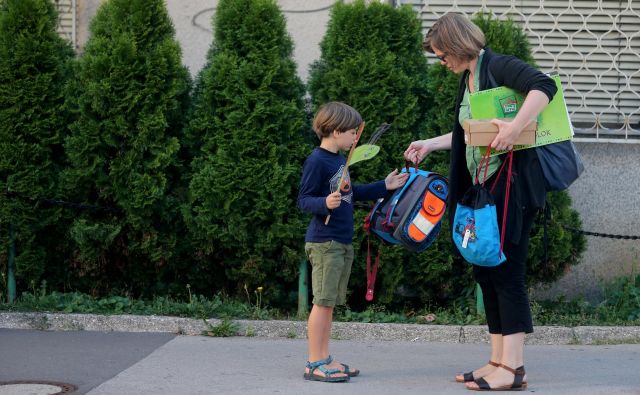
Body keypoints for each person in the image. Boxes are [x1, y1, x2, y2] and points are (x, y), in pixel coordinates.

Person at [404, 13, 557, 391]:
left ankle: (515, 369)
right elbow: (469, 134)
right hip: (484, 188)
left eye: (442, 56)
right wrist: (430, 144)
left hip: (511, 189)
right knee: (486, 270)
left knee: (507, 272)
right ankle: (497, 361)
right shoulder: (469, 79)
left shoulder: (499, 66)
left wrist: (516, 126)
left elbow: (543, 86)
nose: (443, 63)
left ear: (457, 46)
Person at [298, 101, 408, 382]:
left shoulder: (339, 161)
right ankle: (313, 363)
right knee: (321, 303)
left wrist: (385, 186)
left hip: (341, 241)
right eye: (351, 134)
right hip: (325, 242)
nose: (355, 139)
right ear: (335, 131)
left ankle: (325, 358)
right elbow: (304, 200)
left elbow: (351, 192)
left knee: (329, 304)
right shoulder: (317, 160)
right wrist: (324, 202)